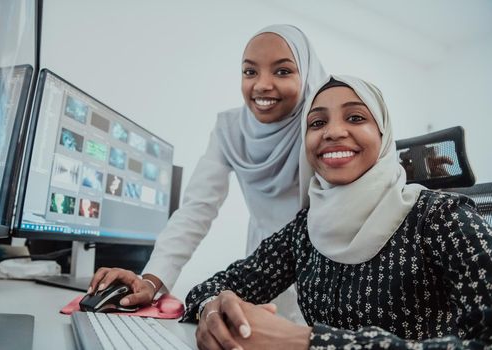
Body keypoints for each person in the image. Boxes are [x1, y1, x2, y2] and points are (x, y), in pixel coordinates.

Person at [182, 75, 492, 350]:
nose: (333, 132)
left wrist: (307, 342)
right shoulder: (304, 230)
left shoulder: (442, 217)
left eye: (356, 118)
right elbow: (213, 287)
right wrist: (213, 308)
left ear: (384, 135)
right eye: (316, 123)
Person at [87, 24, 327, 322]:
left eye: (282, 71)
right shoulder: (231, 129)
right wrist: (151, 280)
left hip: (321, 259)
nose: (262, 85)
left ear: (307, 75)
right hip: (263, 262)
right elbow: (196, 209)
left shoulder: (320, 127)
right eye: (250, 72)